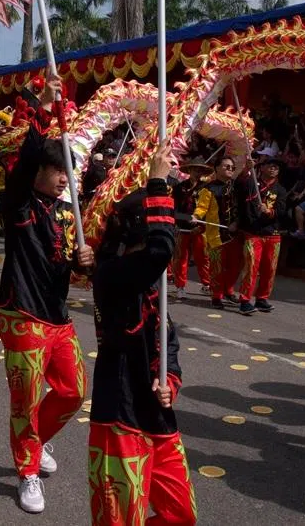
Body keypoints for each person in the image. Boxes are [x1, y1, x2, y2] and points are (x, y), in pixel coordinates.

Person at [0, 73, 94, 514]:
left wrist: (81, 264)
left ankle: (37, 443)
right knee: (26, 397)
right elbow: (29, 156)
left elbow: (63, 265)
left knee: (73, 391)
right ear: (38, 172)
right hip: (22, 315)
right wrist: (41, 104)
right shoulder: (18, 204)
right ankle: (27, 471)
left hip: (57, 317)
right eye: (58, 171)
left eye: (68, 172)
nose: (64, 180)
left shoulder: (61, 213)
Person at [89, 143, 196, 526]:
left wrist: (169, 382)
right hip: (121, 410)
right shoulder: (114, 275)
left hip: (157, 412)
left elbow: (170, 347)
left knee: (180, 515)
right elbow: (161, 251)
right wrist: (156, 183)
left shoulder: (156, 287)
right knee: (120, 518)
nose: (175, 240)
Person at [236, 156, 287, 315]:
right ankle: (245, 300)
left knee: (269, 269)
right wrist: (246, 169)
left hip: (273, 234)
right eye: (270, 166)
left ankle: (262, 298)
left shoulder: (281, 190)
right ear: (262, 168)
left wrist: (269, 212)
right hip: (254, 233)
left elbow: (282, 211)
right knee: (251, 267)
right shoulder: (252, 184)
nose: (273, 169)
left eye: (276, 167)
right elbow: (239, 186)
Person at [193, 156, 241, 309]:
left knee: (235, 266)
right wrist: (196, 216)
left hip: (236, 233)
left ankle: (228, 290)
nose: (230, 170)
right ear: (217, 168)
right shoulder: (208, 189)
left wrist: (237, 223)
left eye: (232, 168)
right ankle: (216, 295)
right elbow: (202, 207)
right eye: (226, 166)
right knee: (217, 267)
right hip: (216, 235)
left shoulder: (238, 187)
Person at [169, 157, 212, 299]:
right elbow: (174, 209)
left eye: (200, 170)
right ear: (189, 170)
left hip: (200, 229)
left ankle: (206, 284)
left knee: (203, 257)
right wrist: (186, 219)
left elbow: (208, 209)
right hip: (183, 228)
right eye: (195, 169)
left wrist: (199, 222)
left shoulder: (206, 188)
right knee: (181, 258)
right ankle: (180, 287)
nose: (197, 172)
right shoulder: (179, 188)